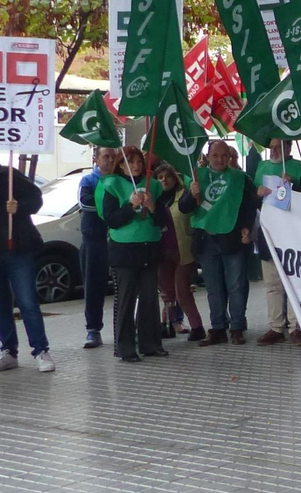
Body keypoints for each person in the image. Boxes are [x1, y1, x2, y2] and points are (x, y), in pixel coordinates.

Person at [180, 141, 257, 346]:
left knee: (236, 285)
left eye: (225, 155)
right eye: (216, 155)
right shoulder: (197, 176)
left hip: (232, 238)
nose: (220, 159)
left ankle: (237, 327)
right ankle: (217, 328)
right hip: (206, 239)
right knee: (213, 288)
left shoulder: (240, 178)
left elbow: (251, 203)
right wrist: (191, 193)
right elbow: (184, 208)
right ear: (208, 156)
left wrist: (246, 226)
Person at [95, 145, 163, 363]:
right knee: (125, 300)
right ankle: (125, 347)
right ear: (121, 165)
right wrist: (130, 205)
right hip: (124, 251)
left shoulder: (152, 185)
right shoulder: (111, 184)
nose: (135, 166)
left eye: (139, 162)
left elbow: (163, 219)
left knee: (150, 298)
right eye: (129, 162)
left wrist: (152, 207)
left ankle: (150, 343)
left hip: (149, 247)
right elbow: (111, 219)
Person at [0, 157, 55, 373]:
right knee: (0, 305)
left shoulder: (7, 175)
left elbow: (36, 198)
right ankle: (8, 350)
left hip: (17, 249)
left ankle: (41, 350)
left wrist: (20, 206)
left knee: (27, 302)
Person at [253, 140, 301, 346]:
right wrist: (257, 195)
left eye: (279, 146)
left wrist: (296, 186)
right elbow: (254, 201)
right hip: (268, 233)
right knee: (272, 284)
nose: (274, 150)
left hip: (293, 235)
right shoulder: (261, 168)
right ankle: (276, 327)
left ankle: (296, 327)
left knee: (294, 283)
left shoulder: (300, 168)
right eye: (272, 146)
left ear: (289, 147)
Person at [153, 163, 204, 343]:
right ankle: (166, 325)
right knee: (166, 292)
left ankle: (197, 326)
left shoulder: (183, 194)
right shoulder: (155, 199)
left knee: (182, 290)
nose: (164, 180)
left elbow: (187, 206)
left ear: (175, 178)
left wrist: (193, 191)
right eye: (159, 178)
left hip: (183, 250)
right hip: (162, 252)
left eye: (167, 177)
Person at [77, 146, 117, 348]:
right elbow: (86, 204)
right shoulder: (88, 181)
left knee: (125, 286)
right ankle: (93, 330)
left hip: (120, 239)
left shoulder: (121, 179)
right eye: (106, 156)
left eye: (113, 156)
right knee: (93, 286)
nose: (110, 160)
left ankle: (128, 327)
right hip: (94, 240)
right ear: (96, 159)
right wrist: (113, 208)